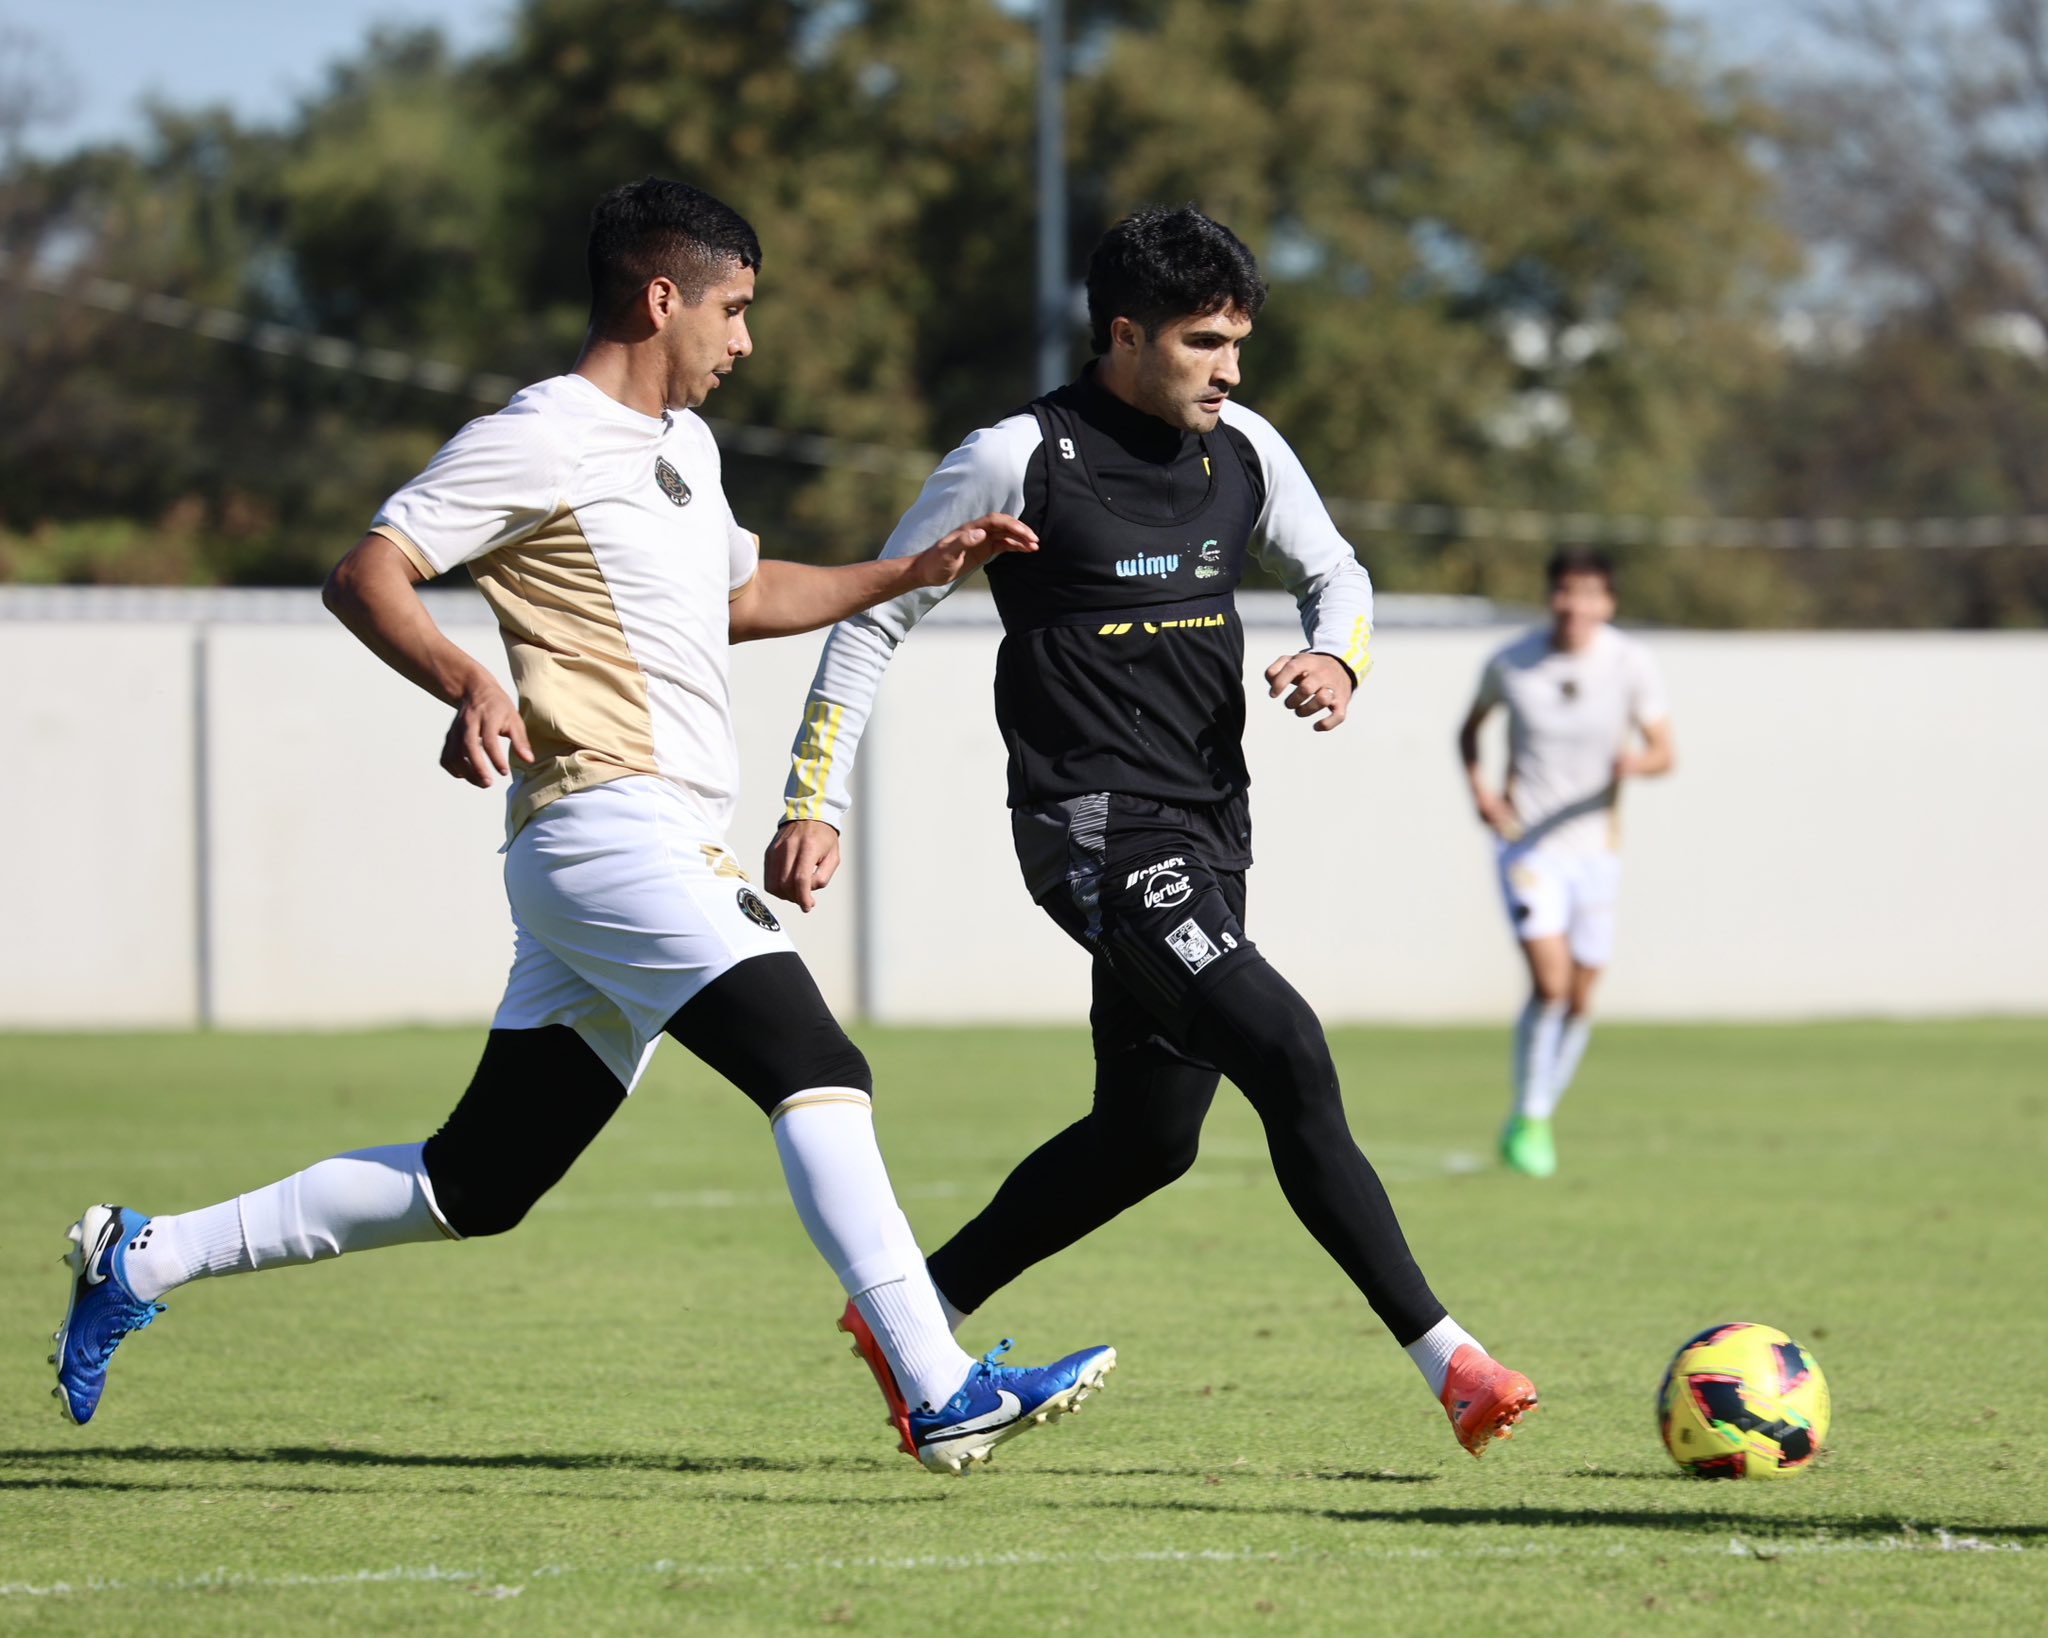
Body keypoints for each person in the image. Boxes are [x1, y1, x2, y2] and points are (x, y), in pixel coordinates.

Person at [49, 177, 1113, 1477]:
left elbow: (743, 595)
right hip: (609, 828)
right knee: (814, 1062)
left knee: (476, 1183)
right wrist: (466, 678)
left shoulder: (684, 449)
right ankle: (938, 1386)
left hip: (632, 844)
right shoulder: (540, 435)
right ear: (662, 298)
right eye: (734, 308)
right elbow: (367, 573)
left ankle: (141, 1255)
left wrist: (907, 571)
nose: (745, 340)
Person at [766, 206, 1537, 1458]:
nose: (1228, 371)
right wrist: (815, 797)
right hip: (1091, 831)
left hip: (1210, 828)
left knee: (1147, 1140)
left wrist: (1337, 659)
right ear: (1123, 335)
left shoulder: (1246, 450)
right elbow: (871, 620)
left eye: (1237, 344)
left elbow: (1336, 574)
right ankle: (1448, 1361)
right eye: (1202, 343)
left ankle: (918, 1310)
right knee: (1285, 1046)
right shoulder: (1016, 456)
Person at [1457, 547, 1675, 1179]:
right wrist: (1482, 792)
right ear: (1550, 596)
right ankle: (1531, 1118)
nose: (1574, 605)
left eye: (1588, 593)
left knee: (1580, 998)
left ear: (1608, 603)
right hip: (1527, 848)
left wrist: (1635, 763)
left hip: (1596, 852)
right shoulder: (1513, 662)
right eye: (1564, 591)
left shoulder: (1631, 663)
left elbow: (1665, 751)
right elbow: (1469, 731)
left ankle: (1536, 1115)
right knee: (1550, 985)